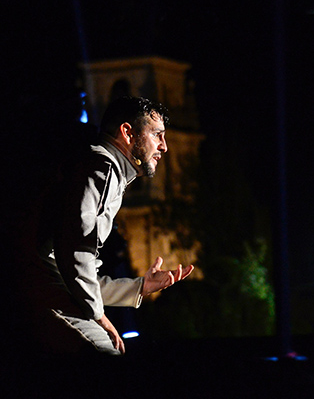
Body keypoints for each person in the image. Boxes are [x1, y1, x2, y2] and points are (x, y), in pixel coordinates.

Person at [20, 96, 193, 357]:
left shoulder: (106, 170)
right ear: (127, 132)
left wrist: (139, 287)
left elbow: (76, 269)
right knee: (105, 354)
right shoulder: (102, 168)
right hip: (35, 286)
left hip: (44, 284)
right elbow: (74, 253)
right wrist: (99, 316)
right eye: (157, 135)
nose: (164, 146)